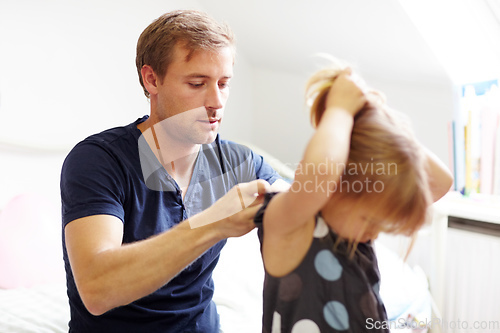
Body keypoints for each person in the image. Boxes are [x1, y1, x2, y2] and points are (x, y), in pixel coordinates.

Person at [60, 10, 294, 333]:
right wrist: (214, 223)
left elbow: (301, 213)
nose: (216, 102)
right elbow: (98, 289)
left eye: (224, 84)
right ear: (151, 79)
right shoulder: (98, 161)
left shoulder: (239, 163)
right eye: (197, 83)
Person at [253, 60, 453, 332]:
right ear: (339, 185)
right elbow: (321, 172)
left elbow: (441, 182)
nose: (374, 234)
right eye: (370, 220)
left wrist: (376, 113)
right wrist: (340, 109)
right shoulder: (290, 224)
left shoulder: (355, 237)